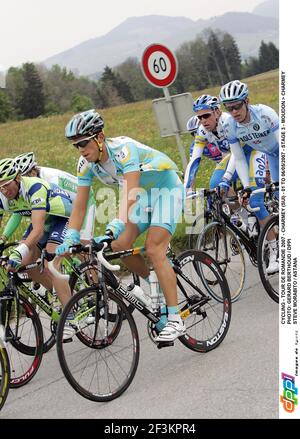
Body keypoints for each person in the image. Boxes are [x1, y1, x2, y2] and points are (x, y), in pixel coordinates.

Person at [56, 109, 186, 342]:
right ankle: (152, 283)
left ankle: (176, 319)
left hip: (166, 191)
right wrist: (71, 236)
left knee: (154, 248)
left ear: (100, 137)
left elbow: (131, 191)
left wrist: (115, 224)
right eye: (76, 146)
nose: (81, 150)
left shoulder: (124, 151)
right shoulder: (85, 164)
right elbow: (79, 205)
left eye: (84, 143)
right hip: (143, 198)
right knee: (119, 244)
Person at [0, 158, 74, 338]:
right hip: (45, 219)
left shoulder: (34, 187)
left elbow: (38, 230)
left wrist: (18, 250)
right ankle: (60, 294)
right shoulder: (2, 196)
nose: (4, 190)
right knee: (26, 264)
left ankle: (70, 317)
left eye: (7, 185)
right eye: (0, 186)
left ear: (18, 178)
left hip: (62, 217)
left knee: (51, 260)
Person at [219, 80, 279, 274]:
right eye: (229, 108)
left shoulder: (265, 114)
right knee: (266, 198)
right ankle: (276, 252)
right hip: (269, 155)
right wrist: (247, 187)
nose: (234, 111)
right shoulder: (230, 125)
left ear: (247, 101)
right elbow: (239, 159)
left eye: (237, 106)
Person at [0, 152, 96, 244]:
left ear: (33, 172)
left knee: (82, 243)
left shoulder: (50, 179)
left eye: (25, 176)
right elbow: (19, 212)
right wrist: (4, 237)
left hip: (84, 199)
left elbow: (64, 206)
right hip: (65, 208)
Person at [184, 94, 238, 196]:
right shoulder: (202, 131)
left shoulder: (228, 122)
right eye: (199, 117)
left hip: (248, 153)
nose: (203, 121)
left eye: (206, 115)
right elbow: (194, 161)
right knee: (216, 186)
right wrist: (186, 187)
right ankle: (241, 212)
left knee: (255, 197)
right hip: (231, 157)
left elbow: (236, 152)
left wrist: (226, 177)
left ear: (217, 112)